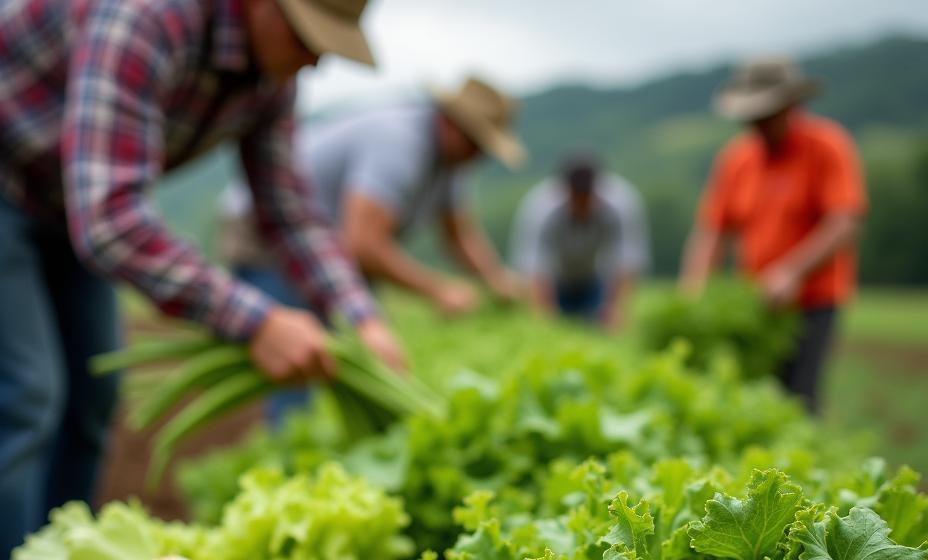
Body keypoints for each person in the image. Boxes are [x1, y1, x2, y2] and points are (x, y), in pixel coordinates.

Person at [0, 0, 403, 560]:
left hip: (63, 189)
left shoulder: (272, 73)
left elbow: (288, 211)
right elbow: (108, 221)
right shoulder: (148, 16)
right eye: (307, 34)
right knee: (22, 398)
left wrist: (361, 317)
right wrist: (254, 319)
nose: (316, 57)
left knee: (92, 398)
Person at [218, 76, 527, 319]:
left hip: (325, 247)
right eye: (476, 143)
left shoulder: (452, 163)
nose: (480, 157)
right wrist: (438, 290)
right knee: (293, 354)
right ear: (450, 123)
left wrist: (496, 280)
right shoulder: (400, 144)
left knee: (346, 348)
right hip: (270, 229)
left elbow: (459, 235)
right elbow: (363, 245)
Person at [680, 56, 866, 411]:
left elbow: (845, 221)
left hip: (814, 301)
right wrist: (694, 289)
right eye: (752, 117)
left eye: (767, 114)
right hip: (756, 303)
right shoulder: (737, 159)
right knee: (754, 396)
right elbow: (711, 231)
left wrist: (791, 272)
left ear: (792, 106)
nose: (758, 124)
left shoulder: (827, 147)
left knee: (799, 397)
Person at [509, 153, 649, 330]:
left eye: (587, 196)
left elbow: (627, 263)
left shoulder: (621, 204)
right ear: (565, 190)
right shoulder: (540, 208)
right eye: (576, 197)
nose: (582, 204)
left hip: (596, 279)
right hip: (556, 280)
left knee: (600, 329)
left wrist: (616, 309)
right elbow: (535, 269)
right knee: (552, 325)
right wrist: (543, 319)